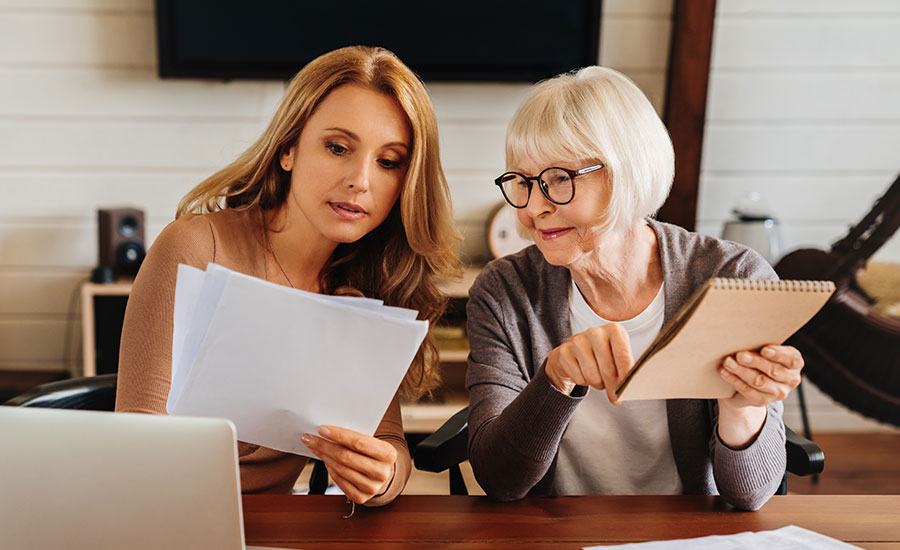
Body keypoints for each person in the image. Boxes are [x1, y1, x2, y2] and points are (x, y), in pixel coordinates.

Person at [115, 46, 460, 506]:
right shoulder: (196, 248)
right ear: (288, 149)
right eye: (338, 148)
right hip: (163, 521)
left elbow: (392, 445)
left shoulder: (372, 279)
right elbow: (136, 447)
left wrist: (380, 475)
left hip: (272, 529)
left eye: (388, 161)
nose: (361, 180)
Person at [465, 66, 803, 511]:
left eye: (560, 179)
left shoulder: (734, 278)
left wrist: (743, 408)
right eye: (523, 183)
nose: (533, 208)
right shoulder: (505, 291)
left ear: (626, 171)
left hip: (687, 539)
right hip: (556, 536)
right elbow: (499, 480)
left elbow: (749, 496)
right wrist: (556, 377)